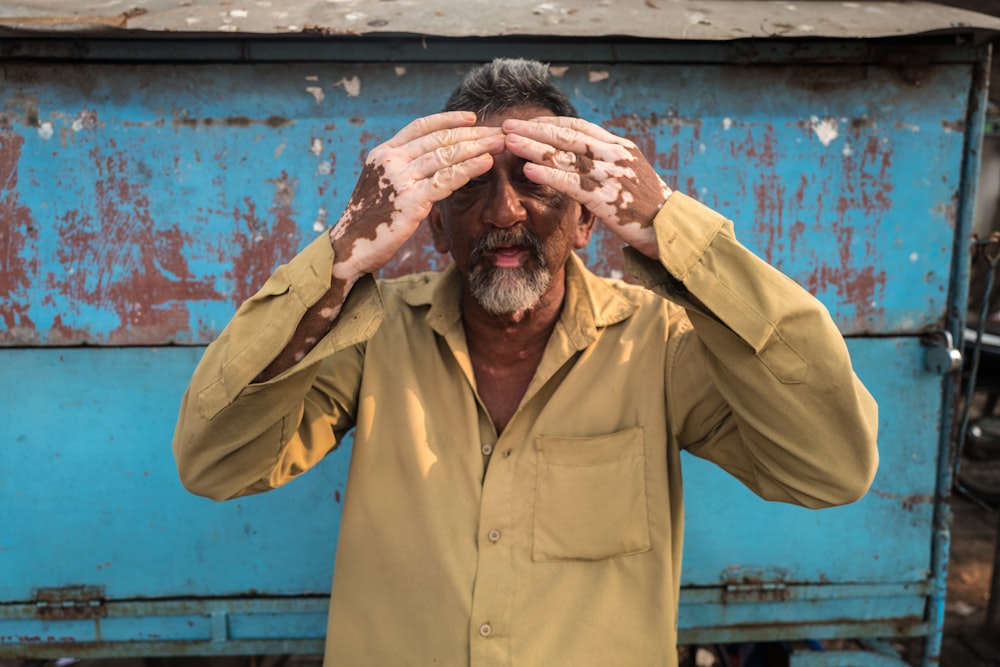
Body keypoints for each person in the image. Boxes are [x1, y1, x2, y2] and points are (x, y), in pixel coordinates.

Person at [173, 58, 879, 666]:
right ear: (436, 221)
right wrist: (337, 260)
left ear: (586, 216)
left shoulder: (657, 346)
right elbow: (215, 462)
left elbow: (832, 466)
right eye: (472, 185)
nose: (505, 210)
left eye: (535, 180)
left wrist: (671, 227)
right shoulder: (373, 335)